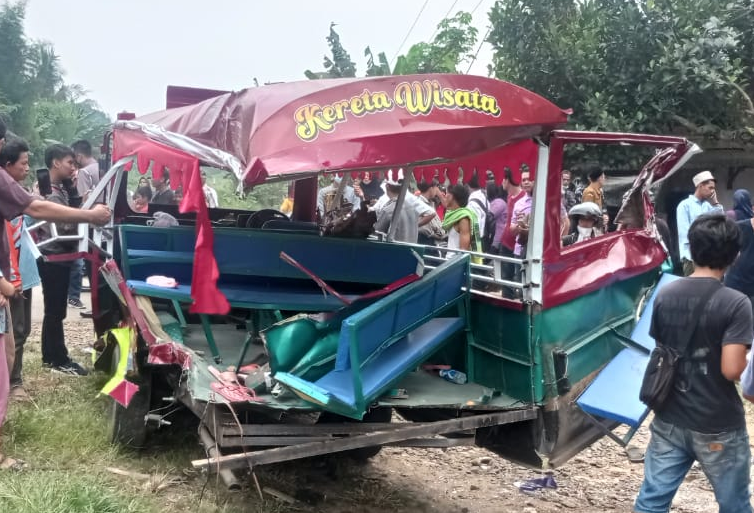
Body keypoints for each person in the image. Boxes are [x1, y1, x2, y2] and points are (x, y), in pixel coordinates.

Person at [634, 214, 753, 513]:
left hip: (669, 417)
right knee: (734, 505)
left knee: (651, 501)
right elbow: (731, 370)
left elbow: (662, 347)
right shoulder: (737, 303)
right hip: (717, 424)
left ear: (692, 249)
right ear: (734, 256)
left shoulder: (665, 292)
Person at [37, 144, 95, 376]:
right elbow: (65, 225)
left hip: (57, 255)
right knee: (55, 310)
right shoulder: (50, 193)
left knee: (53, 308)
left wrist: (74, 193)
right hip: (53, 255)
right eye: (70, 163)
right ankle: (58, 360)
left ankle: (49, 356)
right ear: (55, 163)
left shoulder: (58, 189)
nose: (73, 167)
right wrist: (86, 212)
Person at [0, 138, 39, 400]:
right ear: (7, 166)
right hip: (8, 276)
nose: (27, 169)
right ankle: (11, 384)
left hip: (22, 271)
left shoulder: (19, 195)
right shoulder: (7, 197)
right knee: (9, 334)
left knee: (20, 330)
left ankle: (14, 382)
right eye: (23, 164)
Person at [675, 170, 723, 276]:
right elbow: (685, 234)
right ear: (700, 186)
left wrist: (715, 202)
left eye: (713, 188)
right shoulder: (684, 205)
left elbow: (720, 222)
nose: (712, 191)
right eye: (710, 188)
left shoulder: (707, 206)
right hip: (691, 257)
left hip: (707, 256)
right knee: (692, 290)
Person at [374, 176, 435, 243]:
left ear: (387, 187)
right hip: (410, 250)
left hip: (395, 250)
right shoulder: (413, 207)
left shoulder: (389, 210)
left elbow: (377, 232)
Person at [442, 184, 481, 254]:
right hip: (449, 261)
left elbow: (463, 251)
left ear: (452, 196)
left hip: (455, 263)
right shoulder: (454, 215)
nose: (445, 195)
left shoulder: (463, 219)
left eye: (447, 193)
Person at [510, 170, 534, 257]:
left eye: (529, 179)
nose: (526, 182)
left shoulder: (545, 201)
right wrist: (519, 225)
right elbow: (512, 231)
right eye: (524, 180)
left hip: (539, 251)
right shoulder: (518, 204)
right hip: (520, 251)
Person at [416, 180, 445, 246]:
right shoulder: (420, 203)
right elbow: (425, 230)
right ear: (431, 189)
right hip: (427, 243)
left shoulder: (430, 203)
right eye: (436, 187)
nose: (437, 191)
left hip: (435, 243)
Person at [488, 183, 508, 254]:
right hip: (499, 236)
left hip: (499, 237)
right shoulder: (500, 202)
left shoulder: (498, 202)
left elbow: (489, 217)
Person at [467, 174, 489, 239]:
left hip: (478, 239)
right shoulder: (484, 196)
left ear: (468, 186)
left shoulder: (472, 203)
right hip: (486, 235)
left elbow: (475, 224)